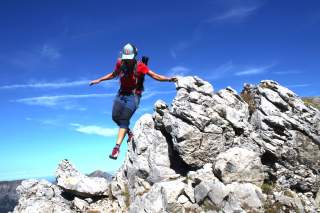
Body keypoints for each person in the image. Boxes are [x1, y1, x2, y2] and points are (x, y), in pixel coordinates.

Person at [90, 43, 177, 160]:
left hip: (134, 95)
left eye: (130, 58)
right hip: (121, 94)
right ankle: (128, 132)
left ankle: (116, 148)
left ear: (134, 56)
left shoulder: (141, 66)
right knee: (115, 117)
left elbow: (155, 76)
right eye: (126, 59)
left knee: (124, 119)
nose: (128, 61)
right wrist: (99, 80)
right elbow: (113, 74)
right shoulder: (120, 63)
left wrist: (169, 79)